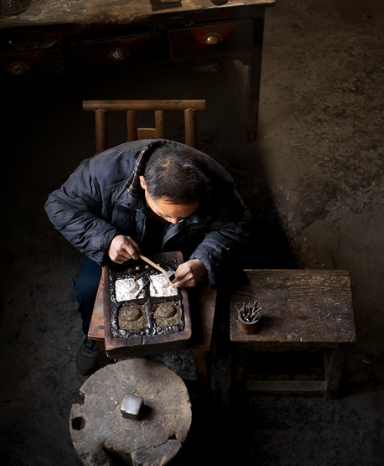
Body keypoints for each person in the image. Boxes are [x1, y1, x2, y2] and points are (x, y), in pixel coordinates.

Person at [45, 139, 252, 374]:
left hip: (187, 245)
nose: (174, 221)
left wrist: (203, 260)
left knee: (209, 288)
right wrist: (106, 239)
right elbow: (59, 205)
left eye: (184, 215)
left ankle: (214, 327)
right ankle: (95, 340)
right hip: (121, 241)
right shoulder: (103, 172)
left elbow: (237, 224)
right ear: (143, 183)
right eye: (165, 213)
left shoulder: (214, 181)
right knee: (88, 288)